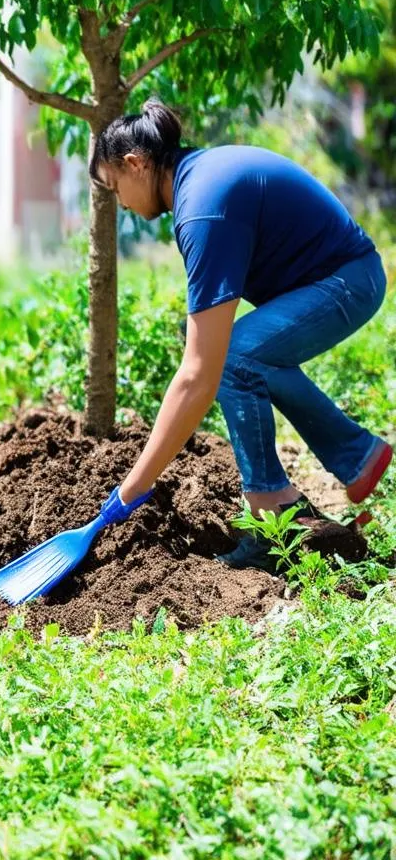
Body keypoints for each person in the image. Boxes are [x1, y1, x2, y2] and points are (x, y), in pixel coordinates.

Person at [83, 99, 390, 572]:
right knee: (238, 354)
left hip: (347, 280)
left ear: (135, 164)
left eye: (115, 188)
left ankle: (271, 508)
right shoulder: (197, 182)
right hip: (338, 277)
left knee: (233, 358)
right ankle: (357, 456)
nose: (119, 203)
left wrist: (133, 487)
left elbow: (198, 376)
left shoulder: (203, 209)